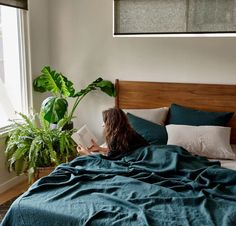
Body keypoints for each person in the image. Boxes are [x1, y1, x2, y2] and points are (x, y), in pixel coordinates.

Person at [77, 107, 149, 159]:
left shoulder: (117, 138)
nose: (102, 125)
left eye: (104, 122)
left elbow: (108, 164)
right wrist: (100, 148)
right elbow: (119, 152)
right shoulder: (127, 133)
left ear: (111, 124)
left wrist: (86, 154)